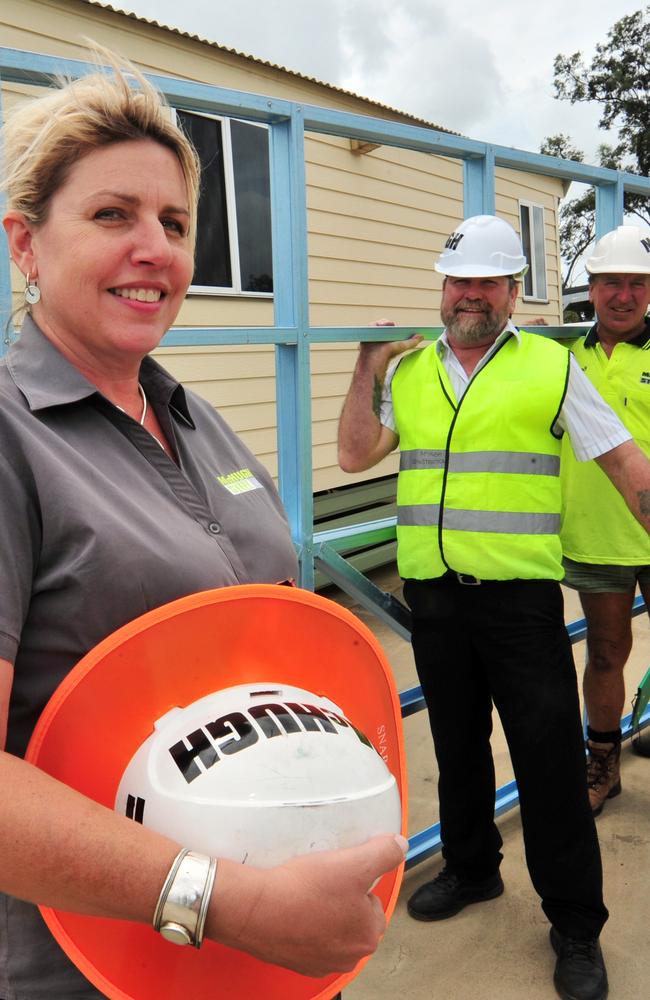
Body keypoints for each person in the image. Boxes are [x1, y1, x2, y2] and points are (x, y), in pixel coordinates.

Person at [0, 50, 407, 999]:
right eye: (112, 215)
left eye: (175, 224)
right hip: (97, 968)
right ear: (24, 244)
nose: (158, 250)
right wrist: (221, 900)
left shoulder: (192, 413)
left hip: (270, 955)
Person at [338, 214, 650, 1000]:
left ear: (514, 291)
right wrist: (365, 365)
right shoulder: (410, 373)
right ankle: (473, 869)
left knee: (548, 767)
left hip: (518, 602)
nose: (469, 294)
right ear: (442, 287)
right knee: (458, 749)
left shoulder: (549, 368)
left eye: (486, 281)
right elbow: (353, 454)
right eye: (458, 280)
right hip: (435, 598)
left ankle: (577, 925)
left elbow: (623, 460)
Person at [560, 225, 650, 815]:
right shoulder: (561, 359)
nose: (624, 295)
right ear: (590, 289)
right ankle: (603, 763)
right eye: (611, 282)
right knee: (605, 654)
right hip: (596, 536)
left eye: (637, 283)